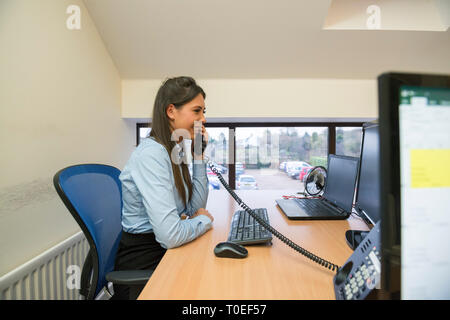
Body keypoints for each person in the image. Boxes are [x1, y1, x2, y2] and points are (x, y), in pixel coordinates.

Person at [112, 76, 214, 300]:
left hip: (163, 251)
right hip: (144, 262)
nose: (203, 118)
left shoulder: (173, 151)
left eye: (203, 111)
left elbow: (195, 207)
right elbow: (170, 235)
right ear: (171, 111)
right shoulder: (151, 155)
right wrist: (205, 221)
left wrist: (198, 155)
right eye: (197, 111)